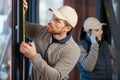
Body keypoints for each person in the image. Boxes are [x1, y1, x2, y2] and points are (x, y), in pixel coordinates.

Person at [12, 0, 80, 80]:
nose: (51, 21)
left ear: (67, 28)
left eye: (57, 20)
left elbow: (55, 76)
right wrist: (18, 11)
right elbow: (12, 24)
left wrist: (33, 56)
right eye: (53, 17)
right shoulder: (41, 31)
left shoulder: (73, 50)